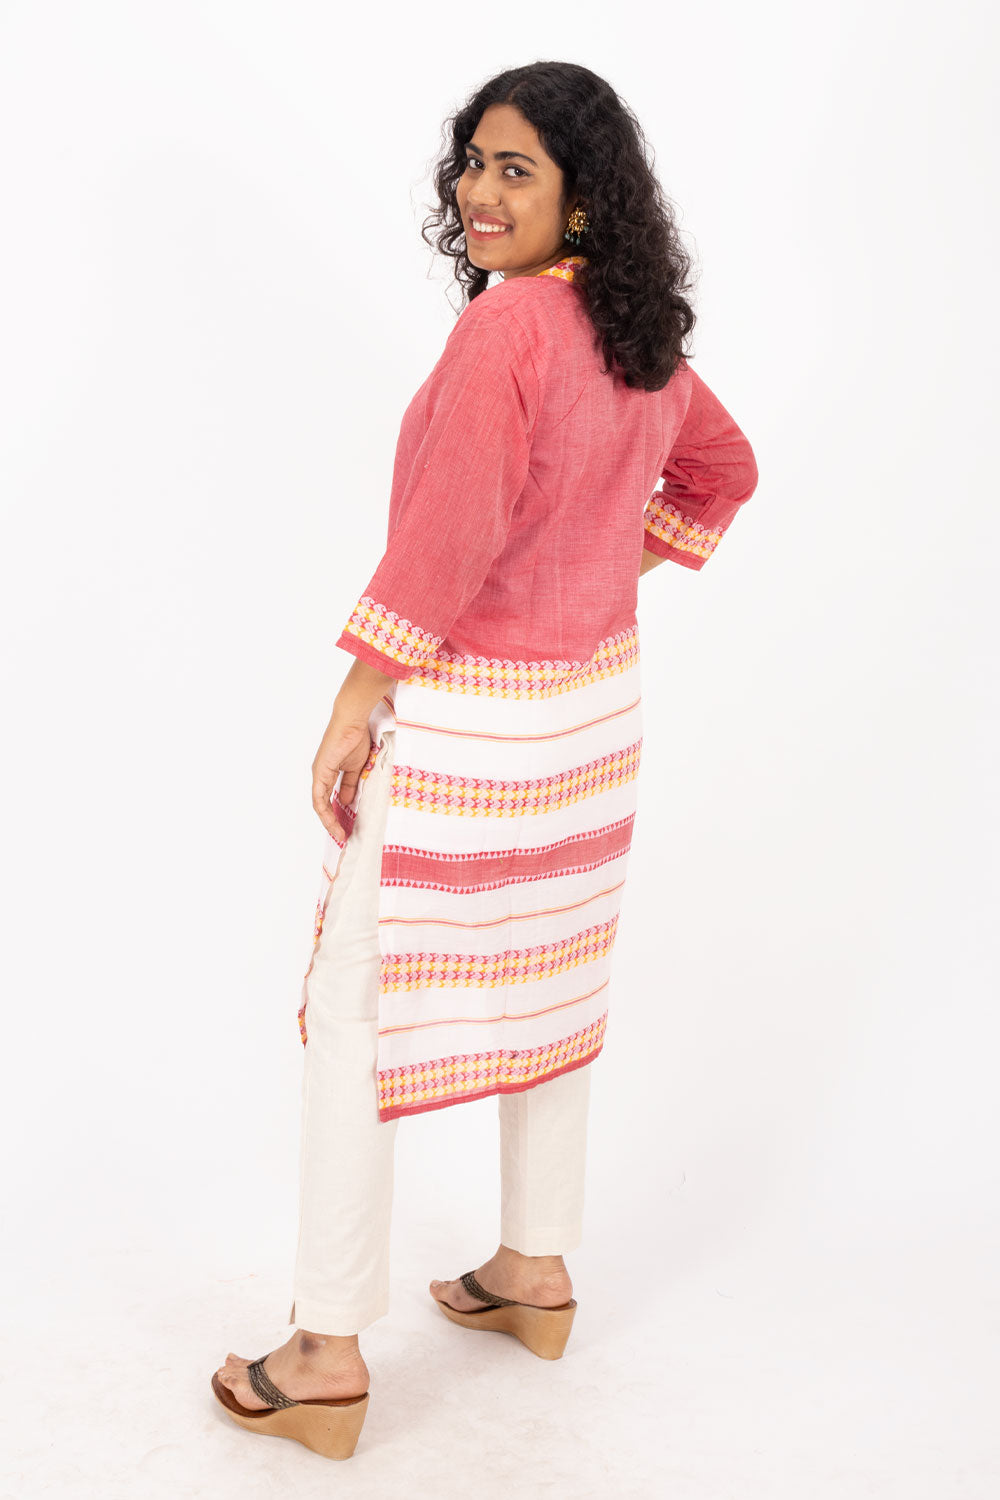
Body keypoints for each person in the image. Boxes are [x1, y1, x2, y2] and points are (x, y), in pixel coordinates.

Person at [212, 60, 759, 1459]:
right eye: (471, 161)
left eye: (516, 167)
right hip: (592, 722)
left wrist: (357, 693)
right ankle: (533, 1269)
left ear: (584, 190)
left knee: (360, 1008)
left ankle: (324, 1351)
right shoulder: (635, 335)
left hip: (472, 727)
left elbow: (450, 538)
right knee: (556, 978)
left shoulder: (508, 329)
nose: (478, 191)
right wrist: (602, 568)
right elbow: (722, 471)